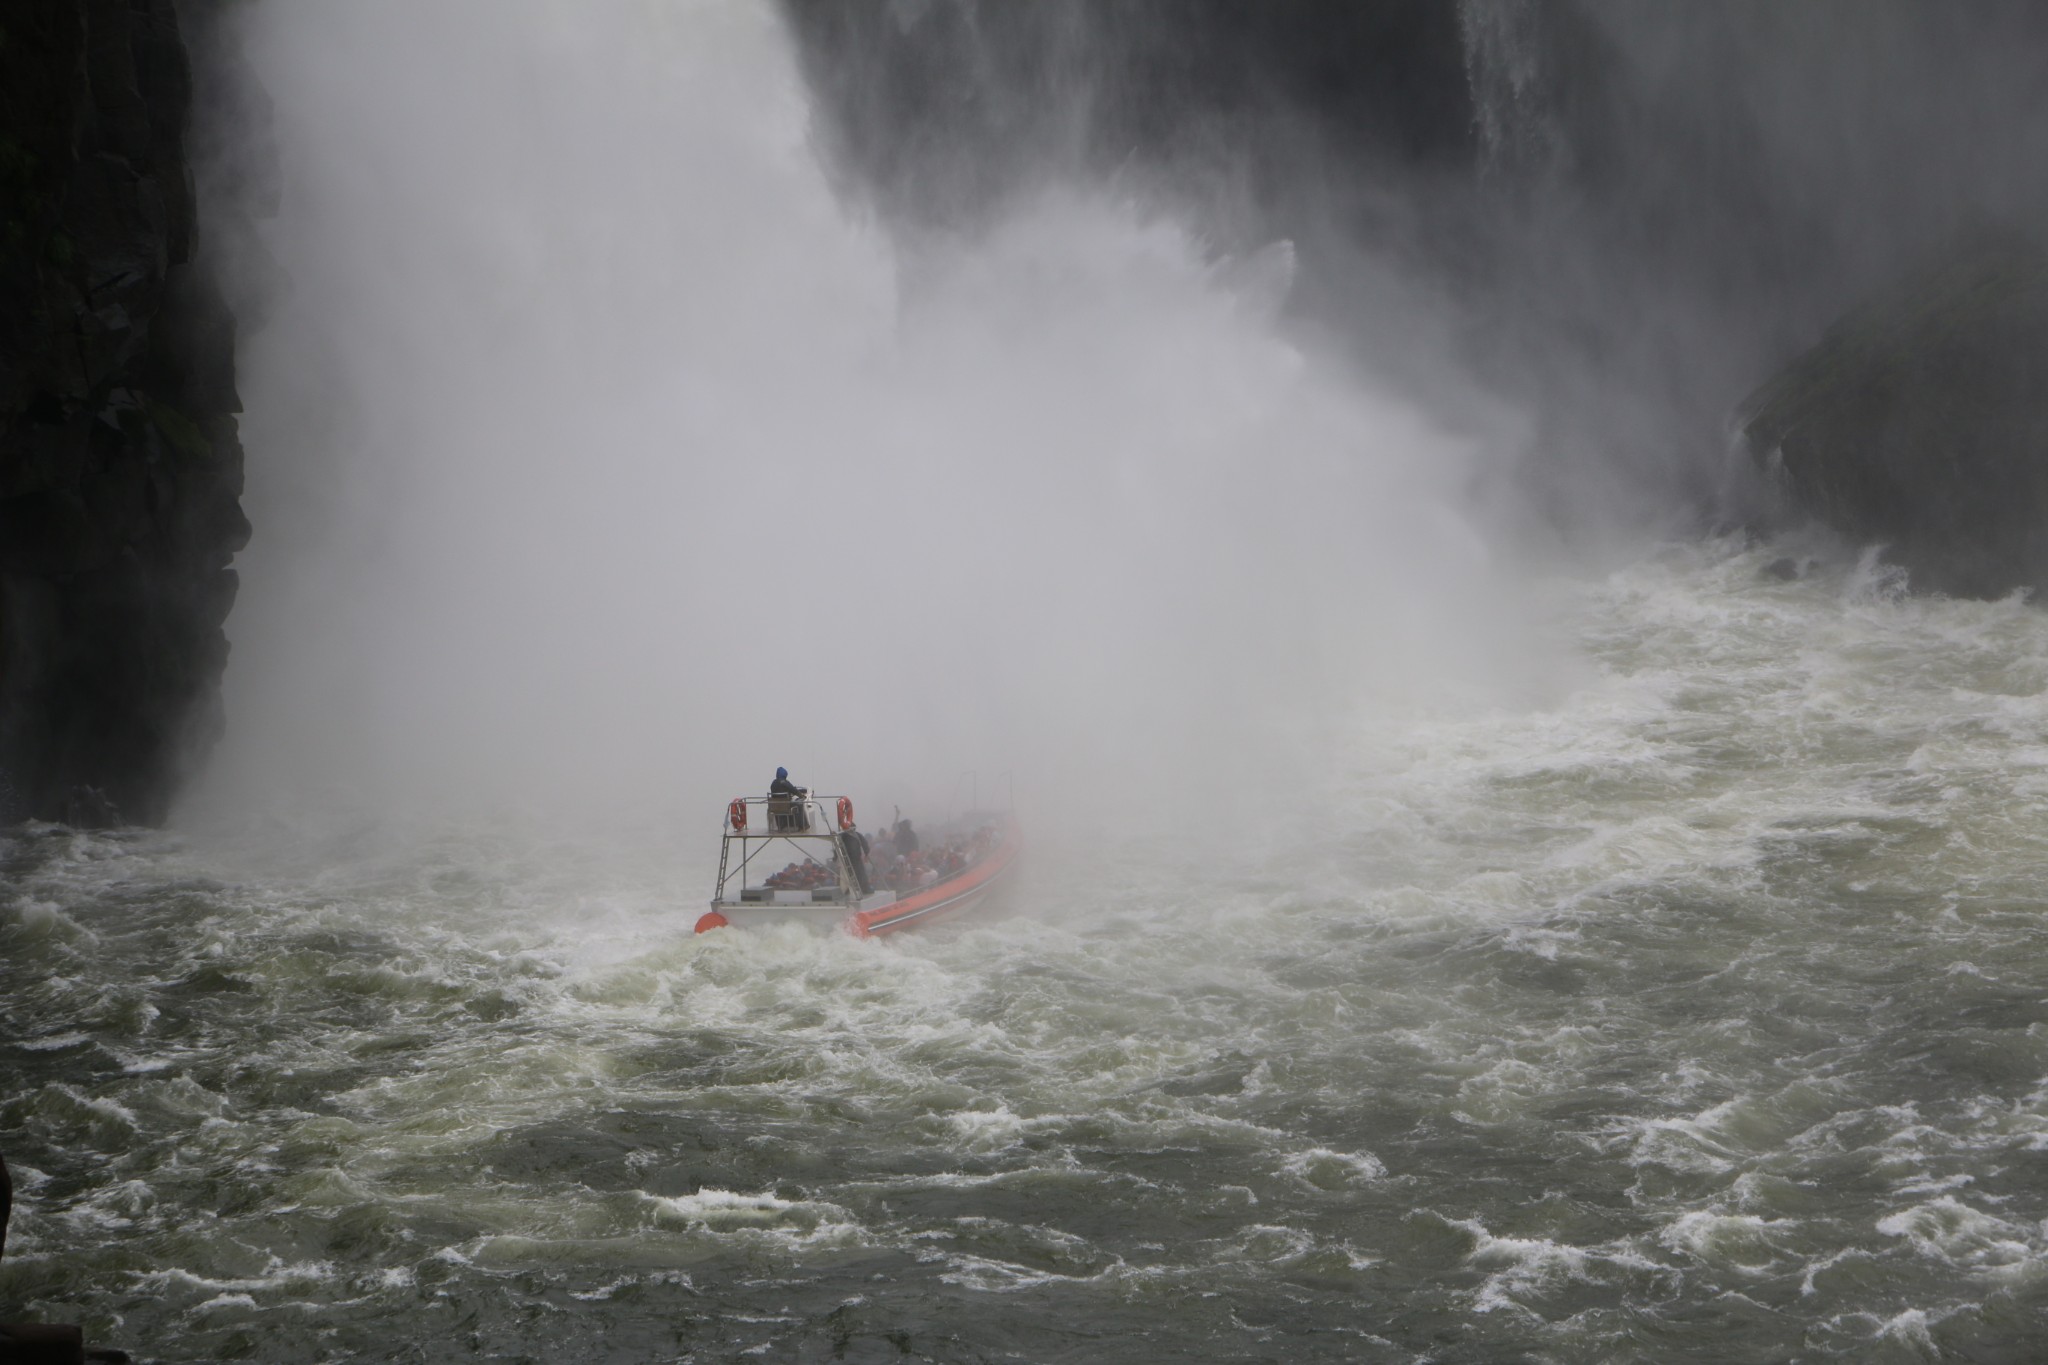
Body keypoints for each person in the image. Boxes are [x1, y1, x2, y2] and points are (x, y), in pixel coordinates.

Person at [767, 766, 809, 831]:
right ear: (785, 775)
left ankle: (780, 826)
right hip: (785, 806)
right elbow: (794, 790)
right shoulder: (784, 782)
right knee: (799, 804)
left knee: (780, 807)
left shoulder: (773, 783)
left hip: (775, 807)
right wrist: (801, 796)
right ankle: (803, 826)